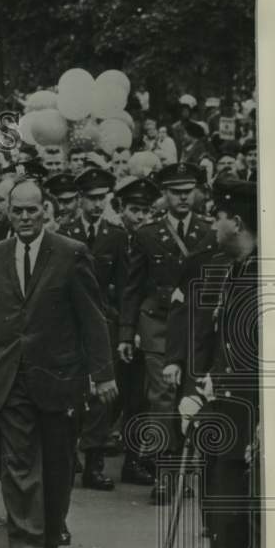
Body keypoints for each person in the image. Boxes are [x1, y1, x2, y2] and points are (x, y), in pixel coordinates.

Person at [0, 177, 117, 548]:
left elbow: (92, 318)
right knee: (17, 465)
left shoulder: (71, 253)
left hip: (59, 378)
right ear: (9, 213)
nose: (25, 217)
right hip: (10, 377)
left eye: (33, 209)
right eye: (18, 210)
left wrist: (103, 374)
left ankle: (49, 538)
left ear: (45, 211)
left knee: (56, 468)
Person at [120, 161, 214, 501]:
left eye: (188, 192)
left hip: (196, 326)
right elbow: (132, 288)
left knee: (190, 396)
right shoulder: (147, 234)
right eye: (176, 192)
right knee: (161, 398)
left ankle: (187, 470)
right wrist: (126, 332)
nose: (183, 198)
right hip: (157, 322)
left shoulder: (208, 232)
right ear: (165, 195)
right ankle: (164, 473)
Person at [191, 177, 259, 548]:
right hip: (229, 417)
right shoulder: (237, 268)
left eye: (216, 216)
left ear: (235, 221)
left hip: (250, 425)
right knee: (226, 530)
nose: (212, 225)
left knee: (241, 537)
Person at [59, 168, 128, 490]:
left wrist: (123, 325)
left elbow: (126, 285)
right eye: (92, 199)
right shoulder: (64, 232)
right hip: (70, 324)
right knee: (72, 388)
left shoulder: (116, 235)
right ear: (80, 199)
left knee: (105, 393)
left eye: (103, 198)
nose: (98, 205)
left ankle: (95, 464)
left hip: (103, 322)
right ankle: (69, 453)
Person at [111, 177, 158, 486]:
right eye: (134, 210)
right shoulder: (113, 238)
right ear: (120, 209)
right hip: (110, 322)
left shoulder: (152, 238)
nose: (140, 217)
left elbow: (145, 288)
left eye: (145, 211)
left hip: (137, 327)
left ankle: (133, 458)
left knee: (136, 397)